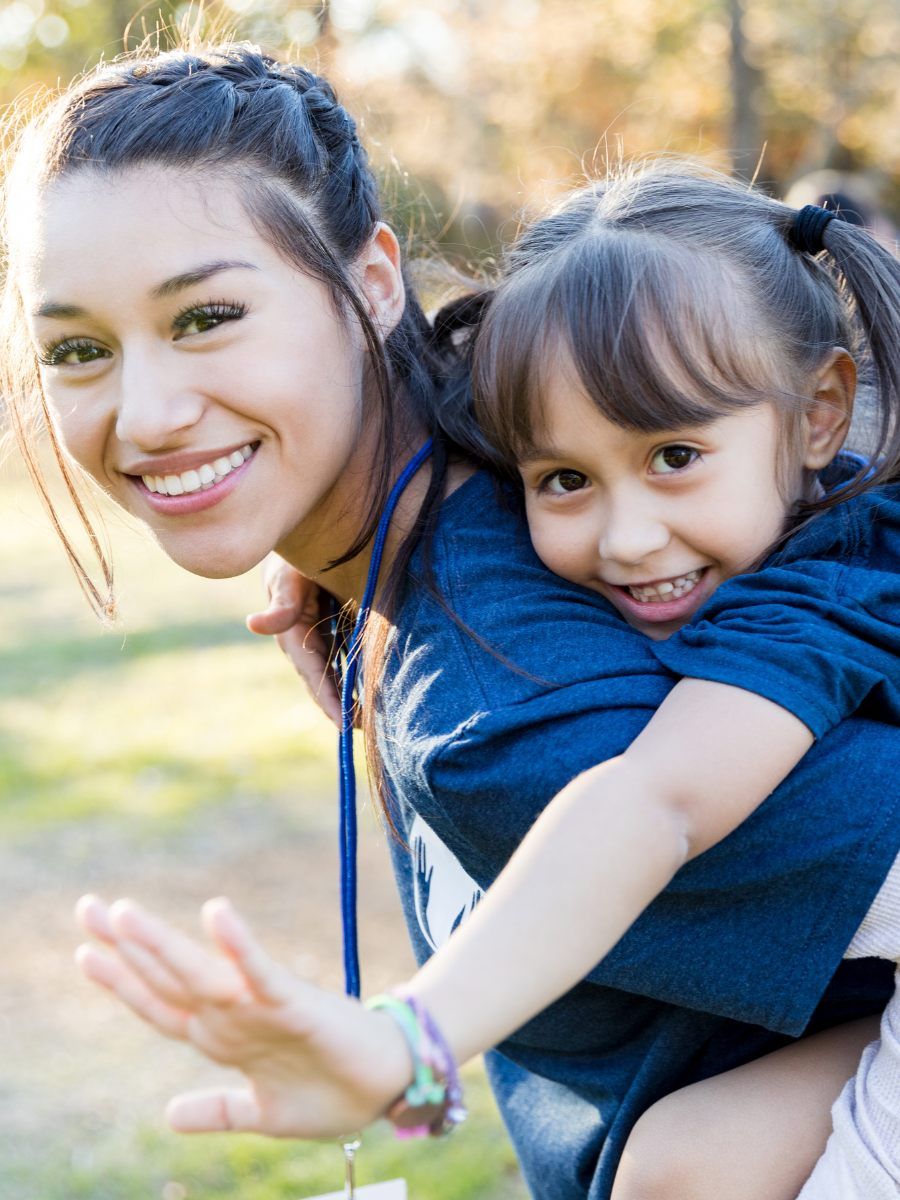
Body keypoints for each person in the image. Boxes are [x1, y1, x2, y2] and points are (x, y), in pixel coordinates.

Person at [4, 40, 899, 1200]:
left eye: (208, 314)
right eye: (78, 348)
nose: (150, 412)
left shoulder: (504, 708)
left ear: (377, 281)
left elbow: (650, 807)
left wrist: (406, 1048)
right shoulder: (500, 475)